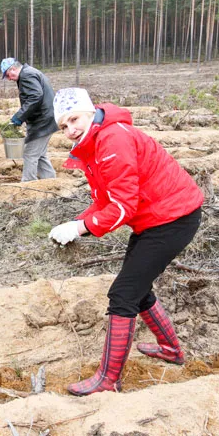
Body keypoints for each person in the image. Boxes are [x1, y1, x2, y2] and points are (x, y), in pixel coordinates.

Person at [48, 88, 203, 396]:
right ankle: (171, 350)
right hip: (156, 218)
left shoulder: (112, 141)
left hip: (173, 218)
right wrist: (76, 222)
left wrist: (81, 228)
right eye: (63, 126)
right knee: (136, 288)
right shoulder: (96, 142)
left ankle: (108, 380)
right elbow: (105, 201)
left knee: (123, 294)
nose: (70, 130)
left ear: (90, 112)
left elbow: (122, 207)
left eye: (74, 119)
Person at [0, 58, 58, 182]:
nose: (9, 78)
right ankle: (51, 181)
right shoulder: (29, 72)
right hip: (47, 117)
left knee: (30, 153)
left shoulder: (27, 75)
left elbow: (35, 96)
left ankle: (28, 184)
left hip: (43, 120)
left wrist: (19, 117)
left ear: (13, 69)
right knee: (39, 154)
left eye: (7, 75)